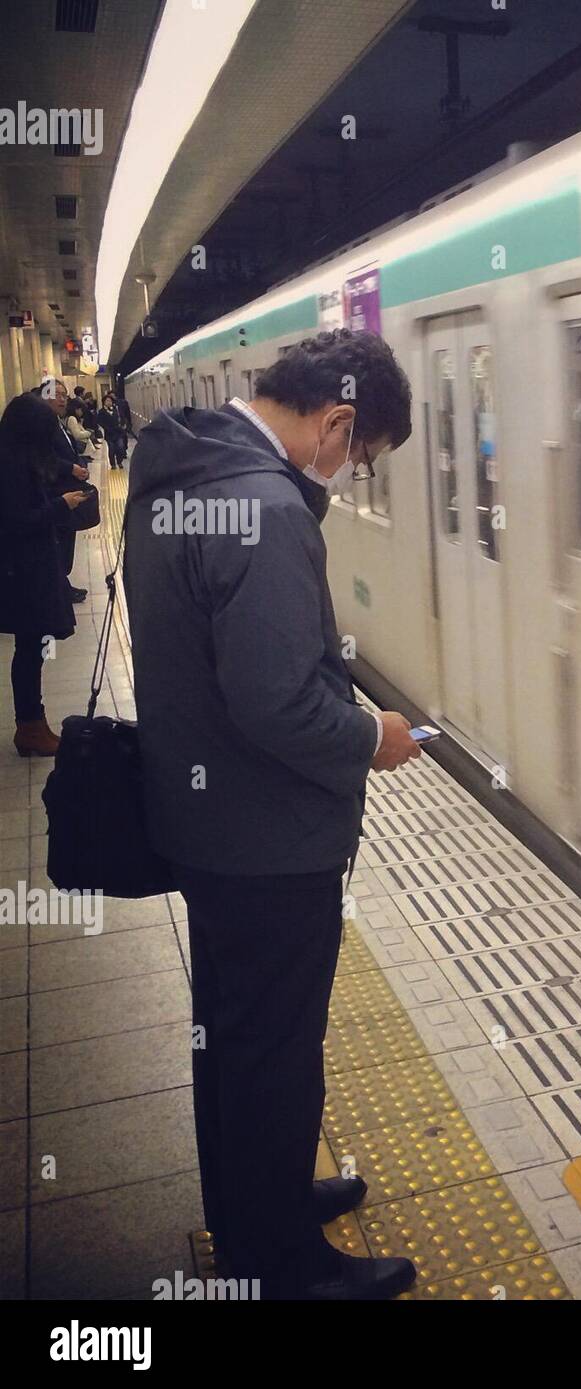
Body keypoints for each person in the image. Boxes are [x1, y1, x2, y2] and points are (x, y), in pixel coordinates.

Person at [124, 328, 422, 1300]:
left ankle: (258, 1207)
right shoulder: (264, 508)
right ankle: (280, 1264)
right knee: (274, 1050)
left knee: (233, 1037)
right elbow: (278, 703)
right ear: (336, 420)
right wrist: (371, 734)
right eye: (360, 453)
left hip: (212, 828)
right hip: (267, 844)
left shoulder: (181, 476)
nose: (350, 469)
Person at [0, 394, 92, 755]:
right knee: (30, 650)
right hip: (22, 574)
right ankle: (30, 728)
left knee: (33, 649)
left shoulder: (14, 458)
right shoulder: (9, 466)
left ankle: (33, 724)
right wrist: (61, 505)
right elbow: (15, 521)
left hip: (27, 570)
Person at [31, 380, 90, 603]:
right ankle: (59, 589)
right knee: (59, 544)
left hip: (67, 492)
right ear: (44, 397)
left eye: (64, 394)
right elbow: (44, 456)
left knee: (64, 542)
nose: (63, 399)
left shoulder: (58, 422)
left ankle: (61, 585)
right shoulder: (42, 425)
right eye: (57, 394)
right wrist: (71, 468)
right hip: (56, 493)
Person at [99, 391, 127, 468]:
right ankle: (113, 464)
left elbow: (121, 418)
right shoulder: (101, 412)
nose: (109, 402)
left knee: (120, 447)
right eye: (107, 401)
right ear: (104, 402)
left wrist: (122, 426)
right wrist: (107, 428)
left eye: (110, 401)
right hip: (109, 434)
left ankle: (119, 461)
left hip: (118, 433)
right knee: (111, 449)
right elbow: (101, 423)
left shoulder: (116, 410)